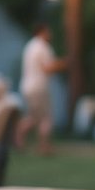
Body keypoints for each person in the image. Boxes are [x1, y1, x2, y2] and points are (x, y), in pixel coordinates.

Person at [16, 23, 67, 154]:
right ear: (42, 32)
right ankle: (44, 146)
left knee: (34, 116)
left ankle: (19, 138)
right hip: (39, 86)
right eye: (48, 32)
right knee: (45, 117)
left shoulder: (30, 46)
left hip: (27, 86)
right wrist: (64, 64)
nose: (50, 34)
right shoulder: (43, 47)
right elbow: (47, 68)